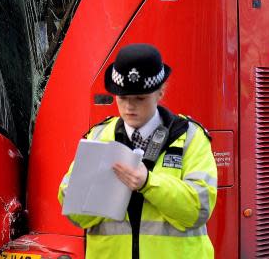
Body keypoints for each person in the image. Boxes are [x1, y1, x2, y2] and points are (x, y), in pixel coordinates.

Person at [58, 43, 217, 258]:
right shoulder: (98, 136)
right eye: (122, 98)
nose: (129, 107)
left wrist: (148, 184)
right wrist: (85, 191)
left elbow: (199, 209)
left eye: (140, 99)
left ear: (160, 91)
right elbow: (76, 216)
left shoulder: (190, 137)